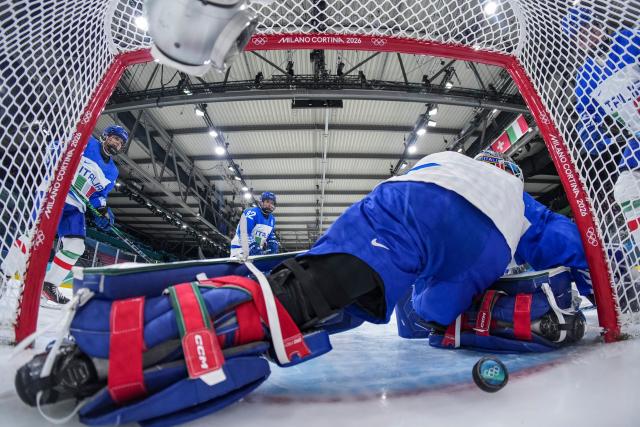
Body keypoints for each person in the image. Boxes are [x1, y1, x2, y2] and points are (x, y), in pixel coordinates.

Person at [16, 150, 592, 425]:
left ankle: (103, 351)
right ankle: (133, 353)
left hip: (416, 206)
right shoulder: (530, 209)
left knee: (308, 297)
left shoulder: (448, 159)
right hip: (487, 247)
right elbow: (579, 248)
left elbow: (413, 188)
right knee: (418, 314)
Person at [0, 125, 127, 306]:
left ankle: (49, 285)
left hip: (76, 206)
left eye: (121, 142)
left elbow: (99, 195)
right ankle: (3, 274)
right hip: (55, 193)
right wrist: (55, 158)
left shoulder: (112, 171)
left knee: (76, 246)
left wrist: (103, 211)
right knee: (35, 236)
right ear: (106, 136)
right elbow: (55, 146)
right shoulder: (87, 142)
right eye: (115, 138)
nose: (117, 143)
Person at [563, 7, 640, 249]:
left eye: (588, 29)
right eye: (578, 36)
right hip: (637, 138)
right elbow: (587, 120)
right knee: (625, 189)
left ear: (600, 26)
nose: (586, 37)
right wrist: (594, 135)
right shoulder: (585, 79)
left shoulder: (630, 40)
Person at [229, 191, 279, 257]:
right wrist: (253, 247)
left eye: (272, 203)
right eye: (267, 202)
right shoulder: (251, 212)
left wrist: (273, 246)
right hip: (240, 251)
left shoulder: (272, 219)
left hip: (256, 253)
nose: (270, 205)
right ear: (261, 202)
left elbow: (270, 236)